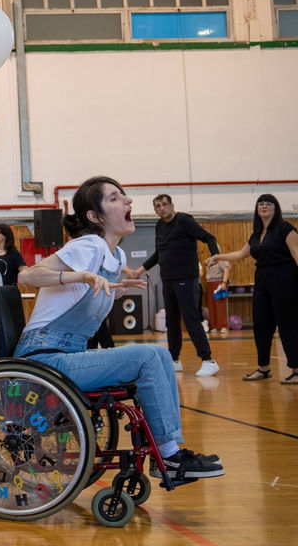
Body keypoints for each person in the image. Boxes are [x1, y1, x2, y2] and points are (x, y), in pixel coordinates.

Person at [15, 176, 223, 480]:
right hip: (44, 357)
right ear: (94, 217)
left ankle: (169, 451)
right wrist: (81, 277)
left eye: (123, 195)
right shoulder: (90, 244)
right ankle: (170, 458)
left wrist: (115, 289)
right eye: (114, 198)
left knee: (162, 356)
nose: (126, 201)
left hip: (69, 355)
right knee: (150, 356)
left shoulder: (116, 255)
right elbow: (27, 276)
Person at [205, 194, 298, 384]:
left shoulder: (285, 228)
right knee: (261, 325)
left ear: (275, 208)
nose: (264, 206)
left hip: (285, 280)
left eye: (268, 203)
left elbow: (296, 253)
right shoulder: (256, 234)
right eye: (260, 204)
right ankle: (263, 369)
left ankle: (296, 369)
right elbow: (240, 254)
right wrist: (217, 257)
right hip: (262, 281)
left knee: (288, 326)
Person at [130, 195, 220, 377]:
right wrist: (139, 270)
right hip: (168, 279)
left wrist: (215, 256)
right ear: (155, 210)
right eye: (157, 206)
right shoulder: (159, 225)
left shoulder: (184, 220)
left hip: (186, 278)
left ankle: (208, 360)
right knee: (171, 321)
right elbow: (159, 253)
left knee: (191, 319)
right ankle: (174, 360)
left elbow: (208, 237)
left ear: (172, 205)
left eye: (164, 204)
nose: (161, 208)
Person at [203, 259, 230, 335]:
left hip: (219, 283)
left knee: (220, 305)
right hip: (210, 283)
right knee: (211, 305)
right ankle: (213, 326)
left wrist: (224, 283)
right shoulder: (210, 260)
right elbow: (205, 262)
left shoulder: (221, 260)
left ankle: (223, 326)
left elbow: (226, 271)